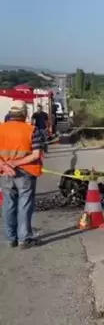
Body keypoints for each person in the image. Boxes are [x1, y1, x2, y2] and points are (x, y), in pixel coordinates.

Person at [0, 100, 44, 249]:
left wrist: (5, 165)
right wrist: (15, 163)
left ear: (10, 114)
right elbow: (36, 154)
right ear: (24, 114)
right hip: (26, 173)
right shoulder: (32, 130)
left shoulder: (0, 129)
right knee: (24, 205)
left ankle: (11, 238)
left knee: (8, 203)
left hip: (5, 173)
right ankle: (24, 239)